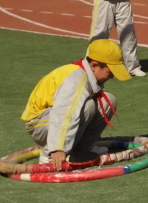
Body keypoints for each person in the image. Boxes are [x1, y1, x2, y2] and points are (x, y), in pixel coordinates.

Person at [20, 39, 131, 170]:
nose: (113, 76)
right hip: (39, 125)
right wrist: (57, 148)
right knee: (87, 106)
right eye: (110, 71)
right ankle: (48, 156)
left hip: (52, 121)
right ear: (94, 65)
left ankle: (80, 149)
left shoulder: (86, 73)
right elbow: (64, 112)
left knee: (108, 100)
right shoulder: (76, 78)